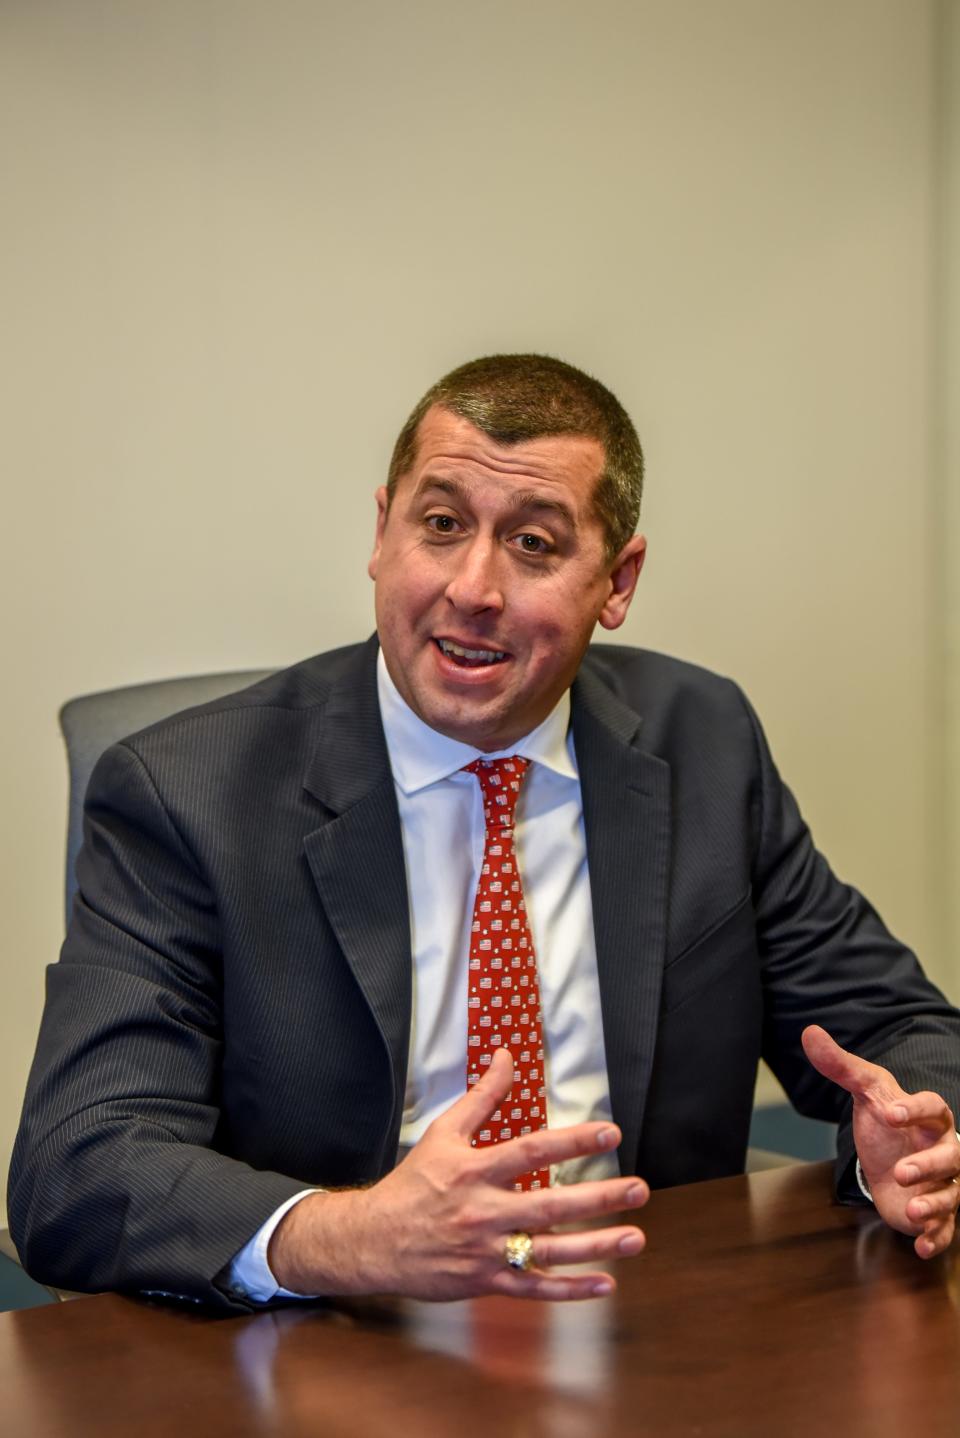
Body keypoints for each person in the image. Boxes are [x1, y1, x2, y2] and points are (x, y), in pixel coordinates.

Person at [9, 355, 960, 1312]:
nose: (474, 587)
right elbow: (78, 1167)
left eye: (535, 545)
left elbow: (905, 1032)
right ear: (381, 533)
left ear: (617, 581)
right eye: (442, 524)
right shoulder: (186, 791)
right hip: (334, 1341)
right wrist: (342, 1235)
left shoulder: (703, 743)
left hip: (651, 1327)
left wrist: (913, 1137)